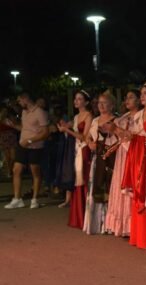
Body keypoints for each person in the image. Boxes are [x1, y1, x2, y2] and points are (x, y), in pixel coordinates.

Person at [121, 78, 146, 249]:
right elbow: (133, 132)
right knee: (137, 189)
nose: (142, 96)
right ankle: (139, 235)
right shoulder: (140, 113)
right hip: (136, 152)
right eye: (142, 93)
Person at [104, 90, 140, 237]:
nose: (127, 100)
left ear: (139, 100)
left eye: (131, 97)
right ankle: (121, 223)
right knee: (120, 183)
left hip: (134, 155)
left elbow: (134, 137)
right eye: (126, 97)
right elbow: (117, 139)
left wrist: (116, 130)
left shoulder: (141, 117)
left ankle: (133, 225)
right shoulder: (123, 118)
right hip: (122, 156)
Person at [5, 92, 50, 209]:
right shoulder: (24, 112)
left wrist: (30, 140)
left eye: (20, 101)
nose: (19, 103)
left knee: (35, 172)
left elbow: (45, 132)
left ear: (25, 99)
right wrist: (13, 126)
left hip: (35, 147)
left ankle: (34, 199)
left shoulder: (40, 112)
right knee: (16, 170)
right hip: (22, 145)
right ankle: (17, 199)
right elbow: (26, 128)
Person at [83, 91, 117, 235]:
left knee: (110, 188)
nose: (101, 105)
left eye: (105, 103)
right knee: (97, 188)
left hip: (111, 160)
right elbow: (87, 137)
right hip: (97, 159)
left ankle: (109, 224)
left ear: (112, 105)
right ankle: (97, 223)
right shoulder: (95, 121)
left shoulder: (117, 120)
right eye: (99, 103)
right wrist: (90, 143)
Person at [58, 91, 92, 226]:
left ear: (86, 102)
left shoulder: (88, 115)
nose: (76, 101)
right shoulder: (77, 116)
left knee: (83, 179)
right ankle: (78, 216)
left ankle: (86, 216)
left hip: (84, 149)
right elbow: (70, 127)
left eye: (79, 99)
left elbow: (83, 137)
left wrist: (68, 130)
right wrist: (64, 126)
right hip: (77, 149)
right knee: (77, 179)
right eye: (75, 99)